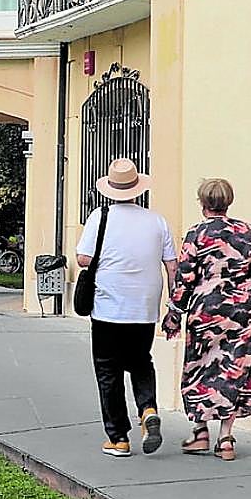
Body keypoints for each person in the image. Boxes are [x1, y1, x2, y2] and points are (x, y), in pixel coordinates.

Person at [162, 178, 251, 461]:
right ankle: (225, 438)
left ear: (203, 204)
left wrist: (174, 314)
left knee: (199, 368)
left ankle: (200, 432)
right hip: (243, 312)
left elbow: (184, 278)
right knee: (235, 368)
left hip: (206, 310)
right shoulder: (248, 231)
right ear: (229, 201)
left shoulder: (196, 234)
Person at [77, 158, 177, 458]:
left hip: (108, 306)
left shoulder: (100, 216)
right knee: (140, 361)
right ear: (137, 189)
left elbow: (83, 258)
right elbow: (172, 266)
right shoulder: (157, 220)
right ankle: (148, 409)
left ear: (111, 189)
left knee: (108, 370)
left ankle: (118, 438)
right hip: (145, 307)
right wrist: (174, 306)